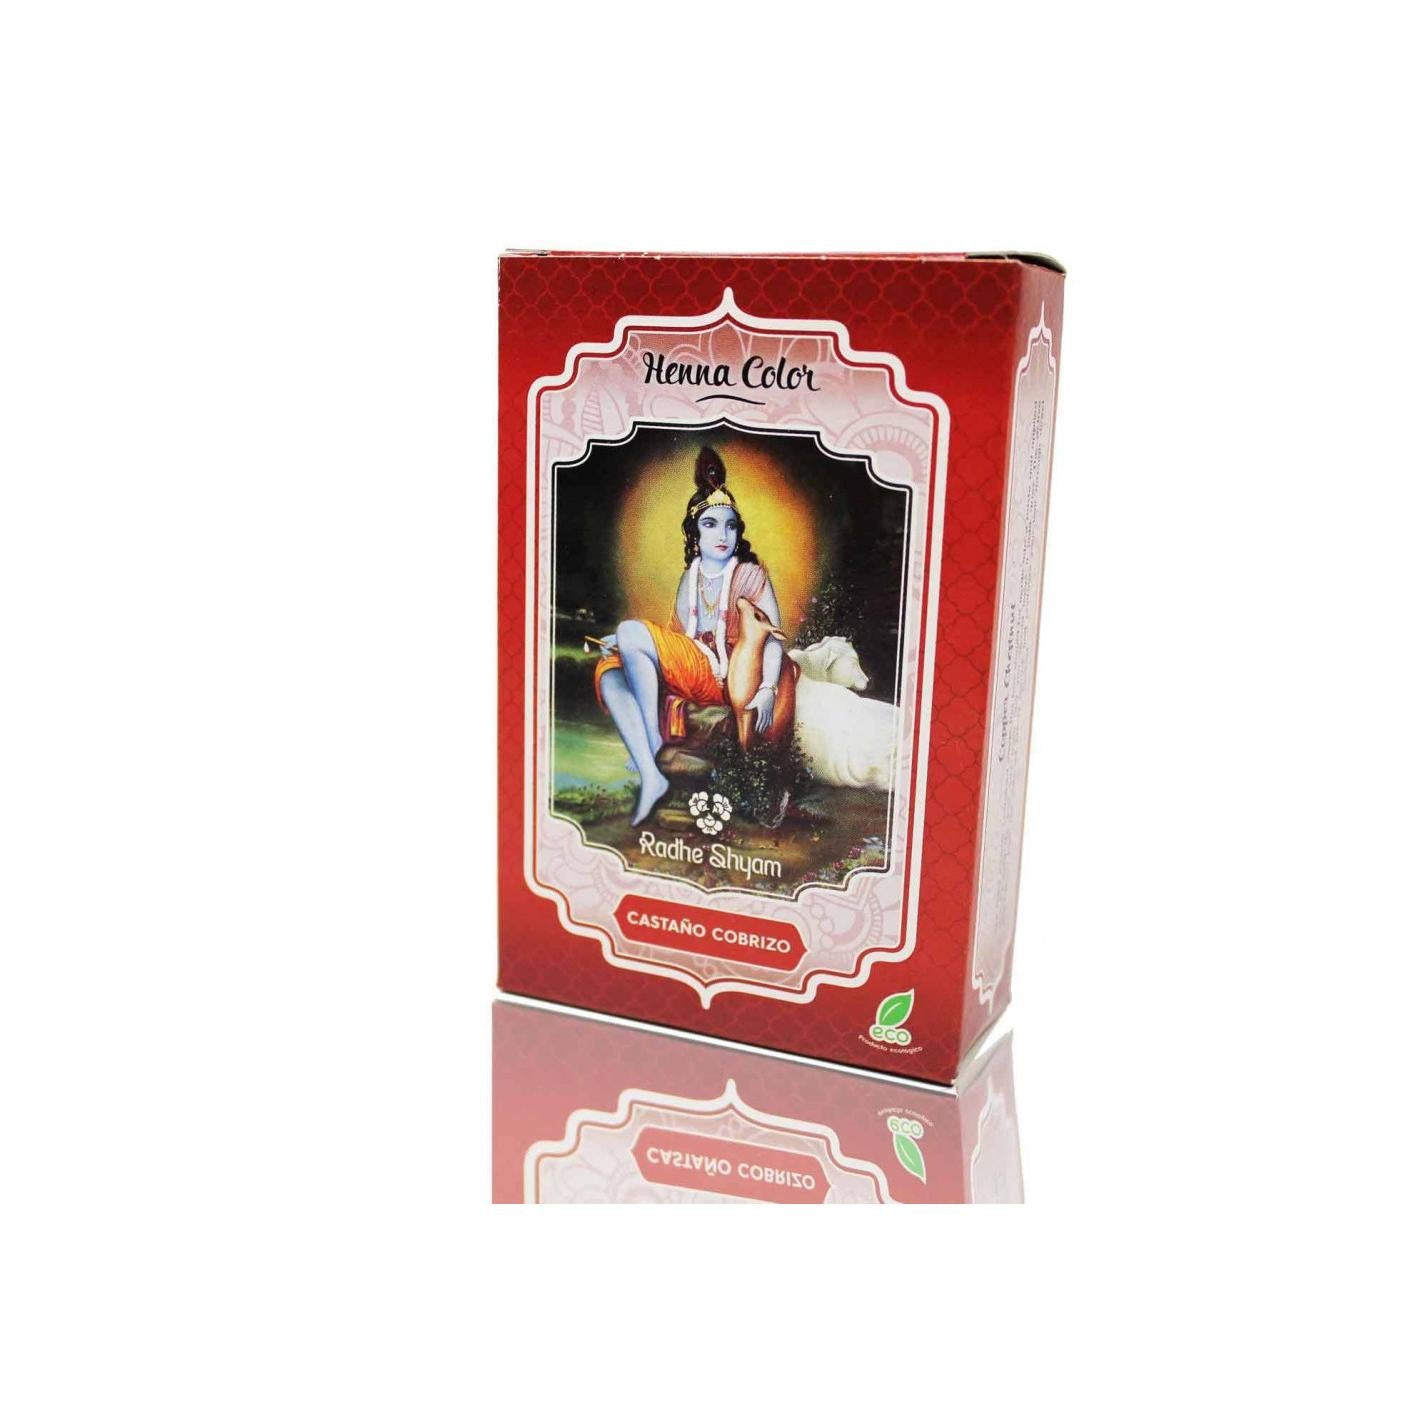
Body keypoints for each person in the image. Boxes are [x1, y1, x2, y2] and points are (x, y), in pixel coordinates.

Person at [595, 446, 785, 825]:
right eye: (710, 524)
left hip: (727, 678)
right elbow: (676, 639)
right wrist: (629, 647)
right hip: (691, 669)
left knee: (630, 630)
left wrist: (767, 689)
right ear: (694, 533)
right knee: (610, 671)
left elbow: (774, 639)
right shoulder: (690, 577)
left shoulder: (750, 575)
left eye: (730, 525)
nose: (722, 534)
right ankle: (651, 775)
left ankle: (651, 741)